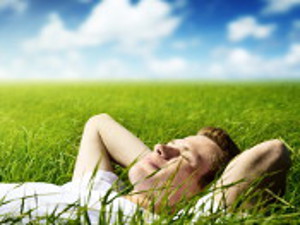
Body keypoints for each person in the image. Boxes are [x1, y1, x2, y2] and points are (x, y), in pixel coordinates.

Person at [0, 113, 291, 224]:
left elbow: (273, 152)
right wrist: (153, 164)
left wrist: (204, 206)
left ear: (198, 195)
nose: (162, 148)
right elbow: (99, 124)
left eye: (183, 157)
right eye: (170, 143)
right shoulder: (95, 189)